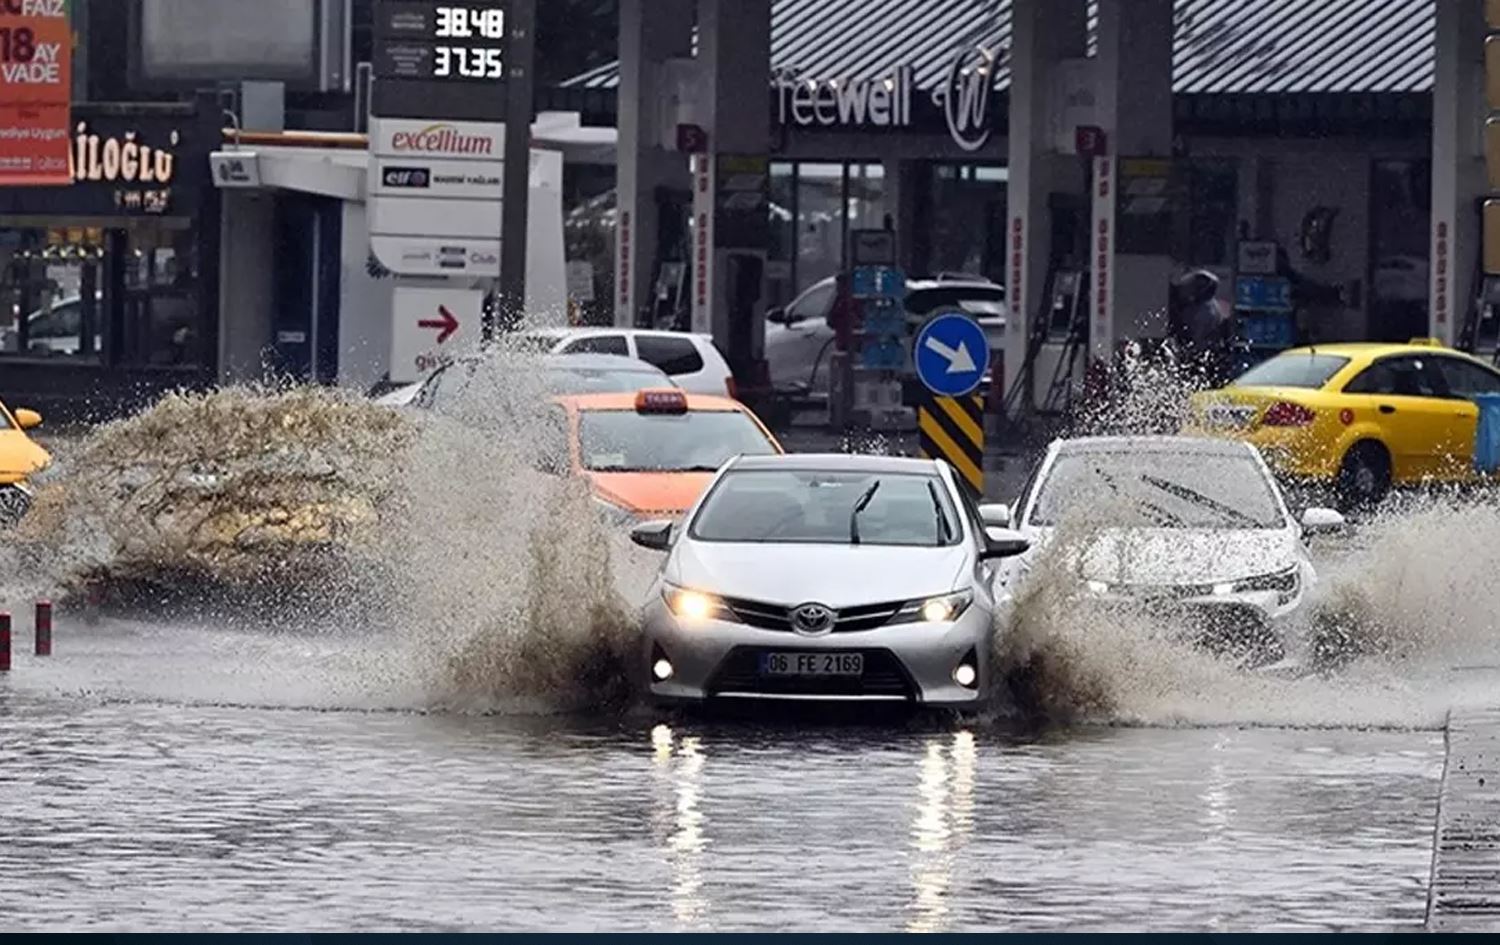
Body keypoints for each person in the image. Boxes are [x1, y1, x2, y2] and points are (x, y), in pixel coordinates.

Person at [1171, 268, 1231, 385]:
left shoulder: (1205, 311)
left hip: (1201, 356)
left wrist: (1188, 354)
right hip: (1203, 355)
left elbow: (1197, 337)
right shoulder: (1202, 306)